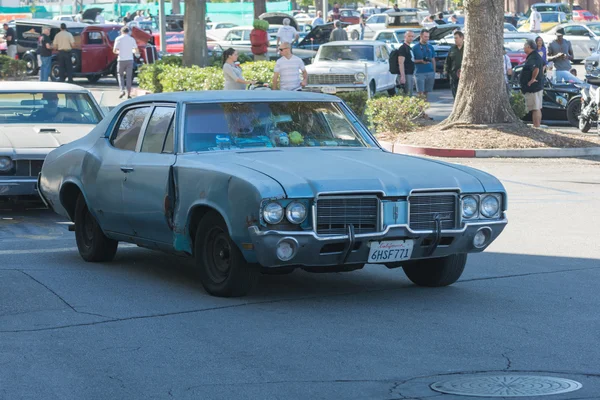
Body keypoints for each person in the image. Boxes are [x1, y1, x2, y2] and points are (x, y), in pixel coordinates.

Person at [521, 39, 544, 128]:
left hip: (534, 87)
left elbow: (536, 68)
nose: (523, 48)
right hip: (538, 86)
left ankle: (536, 126)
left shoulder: (533, 57)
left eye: (524, 46)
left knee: (535, 108)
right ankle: (537, 125)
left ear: (529, 47)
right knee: (537, 107)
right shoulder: (535, 56)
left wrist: (532, 79)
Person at [113, 27, 139, 99]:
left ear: (121, 32)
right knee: (129, 77)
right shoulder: (131, 39)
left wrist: (119, 52)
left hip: (121, 59)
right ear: (128, 32)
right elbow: (136, 50)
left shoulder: (118, 39)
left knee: (120, 75)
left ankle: (122, 90)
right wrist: (132, 51)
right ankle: (129, 93)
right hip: (130, 59)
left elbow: (114, 50)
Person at [412, 29, 436, 100]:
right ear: (421, 36)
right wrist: (421, 61)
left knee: (426, 92)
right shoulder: (415, 48)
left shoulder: (430, 47)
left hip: (430, 72)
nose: (427, 39)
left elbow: (433, 59)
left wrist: (434, 71)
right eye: (425, 37)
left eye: (428, 37)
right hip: (419, 72)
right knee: (420, 92)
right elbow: (412, 60)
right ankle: (420, 109)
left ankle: (424, 107)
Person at [444, 30, 464, 98]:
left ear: (462, 38)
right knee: (455, 94)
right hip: (454, 75)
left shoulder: (467, 48)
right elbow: (447, 61)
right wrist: (445, 71)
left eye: (456, 38)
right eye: (454, 38)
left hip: (464, 75)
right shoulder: (452, 48)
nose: (455, 40)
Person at [397, 30, 415, 96]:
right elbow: (401, 63)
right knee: (407, 95)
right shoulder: (403, 48)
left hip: (410, 74)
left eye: (412, 36)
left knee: (410, 94)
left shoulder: (409, 48)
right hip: (406, 74)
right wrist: (402, 76)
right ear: (405, 37)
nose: (411, 38)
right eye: (409, 36)